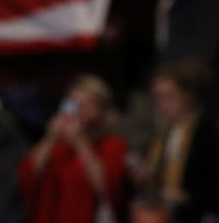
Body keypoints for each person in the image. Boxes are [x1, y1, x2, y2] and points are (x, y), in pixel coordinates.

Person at [18, 75, 129, 223]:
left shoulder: (112, 144)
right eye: (76, 104)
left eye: (87, 105)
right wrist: (50, 138)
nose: (80, 111)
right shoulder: (58, 146)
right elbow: (28, 174)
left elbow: (107, 186)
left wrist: (79, 143)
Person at [131, 59, 219, 223]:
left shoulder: (206, 131)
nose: (162, 104)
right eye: (157, 97)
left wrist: (188, 196)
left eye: (168, 96)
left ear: (189, 96)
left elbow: (212, 183)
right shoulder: (162, 132)